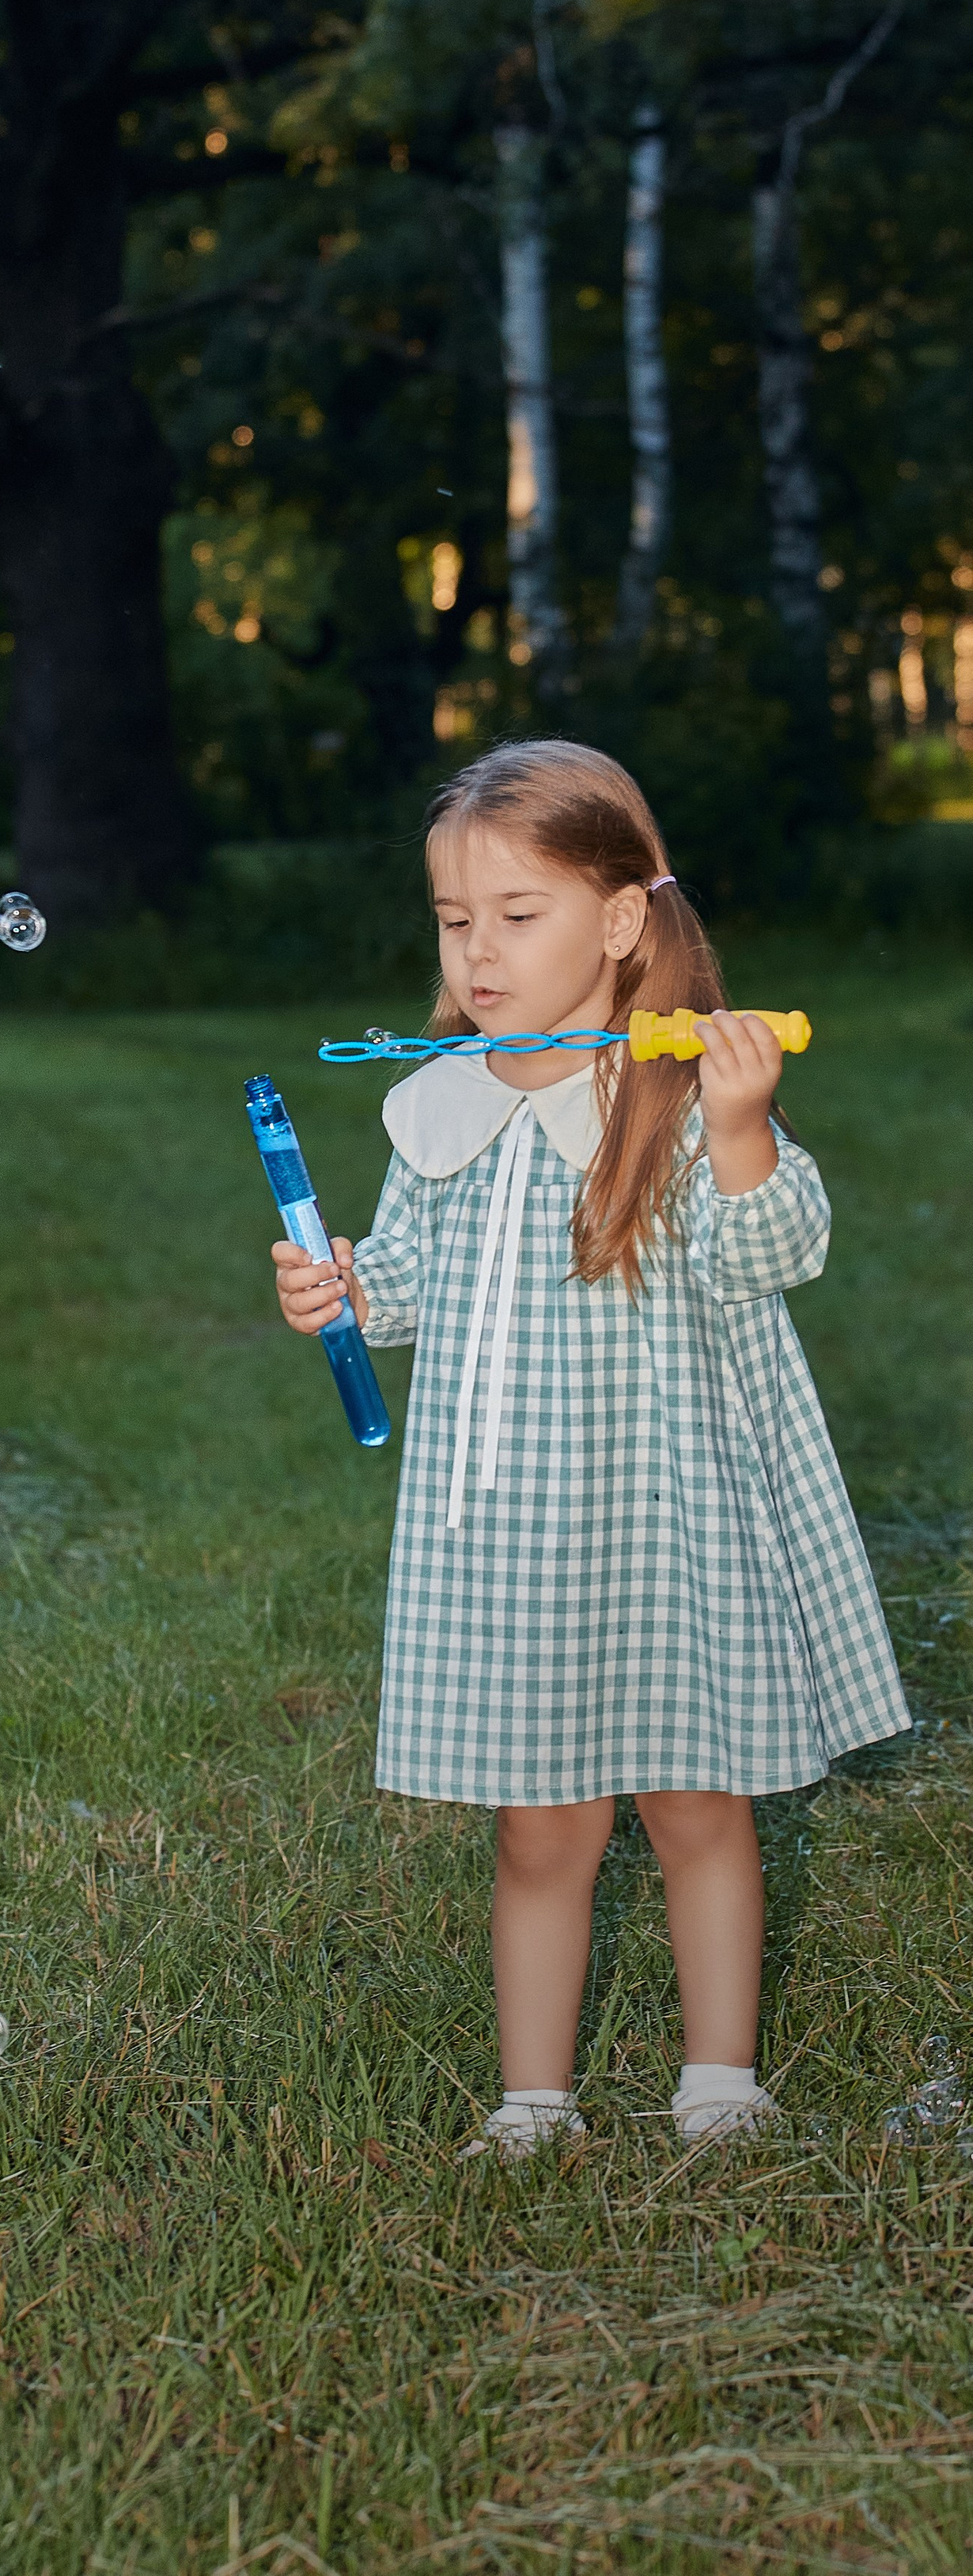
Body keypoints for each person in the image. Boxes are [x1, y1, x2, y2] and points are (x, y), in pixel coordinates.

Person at [274, 740, 907, 2156]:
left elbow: (776, 1250)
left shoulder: (674, 1088)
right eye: (455, 921)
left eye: (517, 914)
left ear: (621, 922)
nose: (478, 952)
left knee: (698, 1802)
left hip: (673, 1514)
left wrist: (740, 1126)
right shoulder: (442, 1098)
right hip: (507, 1528)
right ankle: (534, 2097)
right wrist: (345, 1287)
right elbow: (417, 1282)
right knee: (541, 1828)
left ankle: (721, 2078)